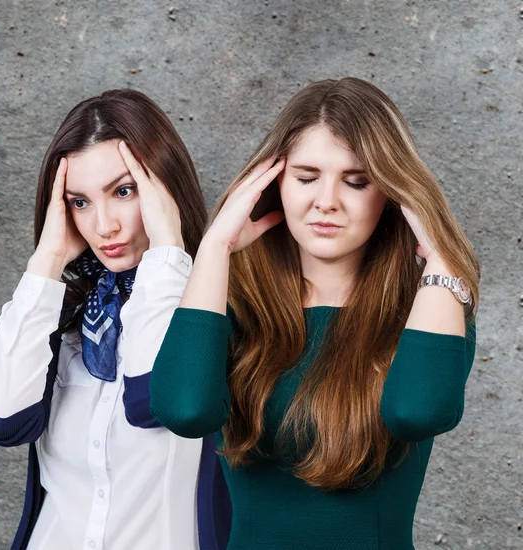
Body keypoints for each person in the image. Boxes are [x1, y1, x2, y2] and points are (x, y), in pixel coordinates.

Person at [150, 77, 479, 549]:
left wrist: (443, 260)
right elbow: (184, 410)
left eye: (356, 181)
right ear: (273, 183)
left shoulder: (431, 302)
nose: (326, 201)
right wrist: (214, 250)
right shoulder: (230, 297)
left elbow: (416, 412)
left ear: (392, 193)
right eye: (306, 177)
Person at [0, 89, 230, 550]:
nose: (103, 225)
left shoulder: (215, 318)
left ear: (164, 189)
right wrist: (47, 260)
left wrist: (168, 244)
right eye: (80, 202)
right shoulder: (65, 320)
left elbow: (156, 401)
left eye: (123, 191)